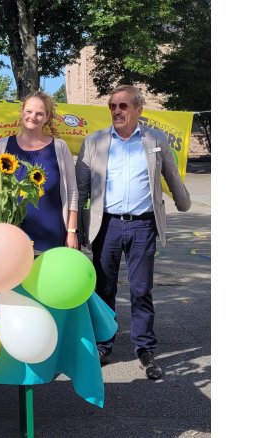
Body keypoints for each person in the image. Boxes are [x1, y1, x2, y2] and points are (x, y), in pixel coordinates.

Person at [76, 85, 191, 380]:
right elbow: (81, 188)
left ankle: (145, 349)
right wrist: (75, 229)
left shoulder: (155, 139)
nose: (117, 111)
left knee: (141, 290)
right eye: (113, 106)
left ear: (139, 109)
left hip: (142, 225)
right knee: (103, 289)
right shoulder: (94, 142)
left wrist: (183, 202)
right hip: (108, 225)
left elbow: (170, 174)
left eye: (124, 106)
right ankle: (103, 345)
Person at [0, 91, 79, 252]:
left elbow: (72, 192)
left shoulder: (59, 148)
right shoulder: (2, 146)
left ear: (47, 117)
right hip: (10, 234)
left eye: (39, 113)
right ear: (22, 112)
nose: (33, 117)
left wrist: (71, 232)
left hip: (52, 234)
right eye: (29, 111)